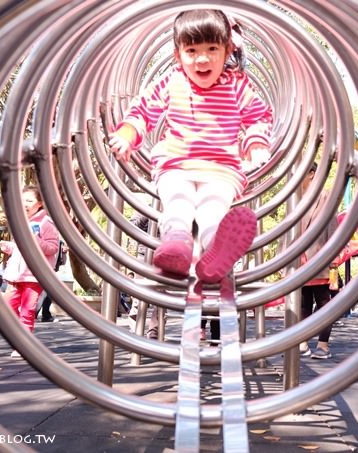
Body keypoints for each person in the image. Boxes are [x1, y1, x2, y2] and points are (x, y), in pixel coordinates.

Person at [109, 9, 273, 284]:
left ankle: (215, 253)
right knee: (177, 203)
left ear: (227, 49)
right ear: (178, 55)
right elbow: (143, 111)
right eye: (192, 50)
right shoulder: (172, 80)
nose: (202, 58)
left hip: (221, 168)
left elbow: (258, 117)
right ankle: (175, 245)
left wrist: (255, 144)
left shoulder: (236, 85)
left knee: (213, 209)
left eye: (212, 48)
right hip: (176, 164)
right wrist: (126, 134)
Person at [0, 186, 60, 357]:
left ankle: (23, 344)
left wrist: (35, 241)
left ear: (39, 203)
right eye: (23, 199)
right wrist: (10, 247)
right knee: (6, 307)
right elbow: (21, 248)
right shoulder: (22, 221)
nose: (25, 203)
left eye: (29, 200)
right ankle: (21, 335)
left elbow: (52, 247)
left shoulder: (46, 223)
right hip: (16, 274)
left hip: (33, 274)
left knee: (27, 310)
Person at [298, 163, 339, 360]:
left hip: (319, 258)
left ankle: (323, 345)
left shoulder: (325, 197)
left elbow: (332, 228)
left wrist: (333, 261)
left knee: (323, 303)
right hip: (299, 260)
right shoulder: (295, 199)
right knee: (303, 303)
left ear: (312, 174)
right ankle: (303, 342)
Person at [37, 240, 68, 322]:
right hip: (40, 268)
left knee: (48, 293)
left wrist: (64, 253)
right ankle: (38, 313)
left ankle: (45, 315)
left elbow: (63, 262)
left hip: (51, 270)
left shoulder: (60, 243)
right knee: (39, 292)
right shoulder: (43, 240)